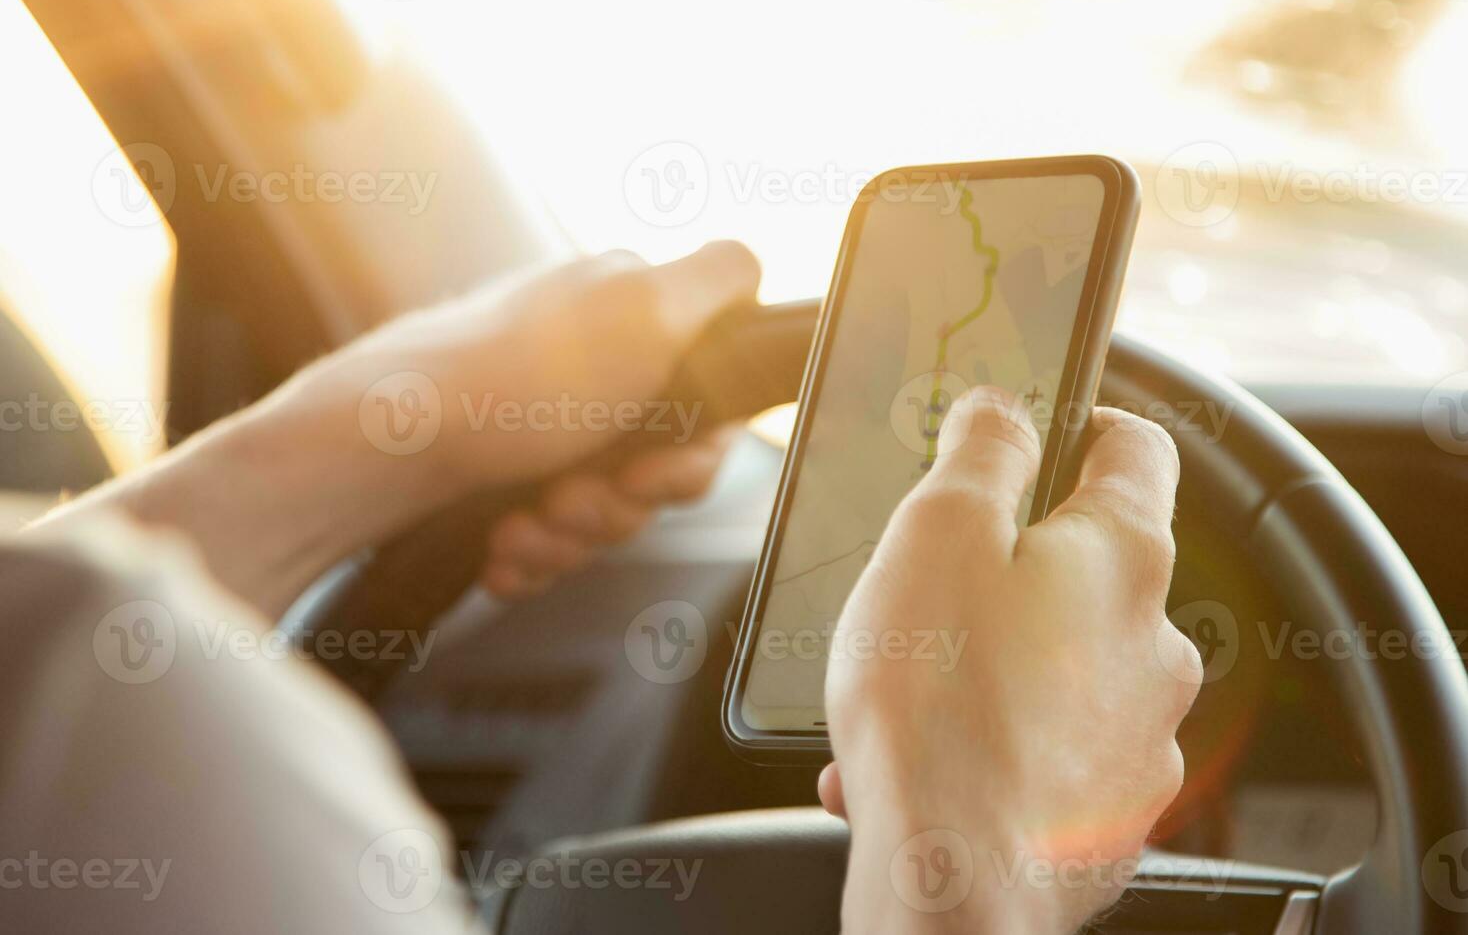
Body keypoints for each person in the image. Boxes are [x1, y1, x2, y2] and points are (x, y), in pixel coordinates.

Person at [1, 241, 1201, 933]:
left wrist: (386, 428)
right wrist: (980, 850)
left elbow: (47, 649)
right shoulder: (125, 752)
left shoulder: (76, 714)